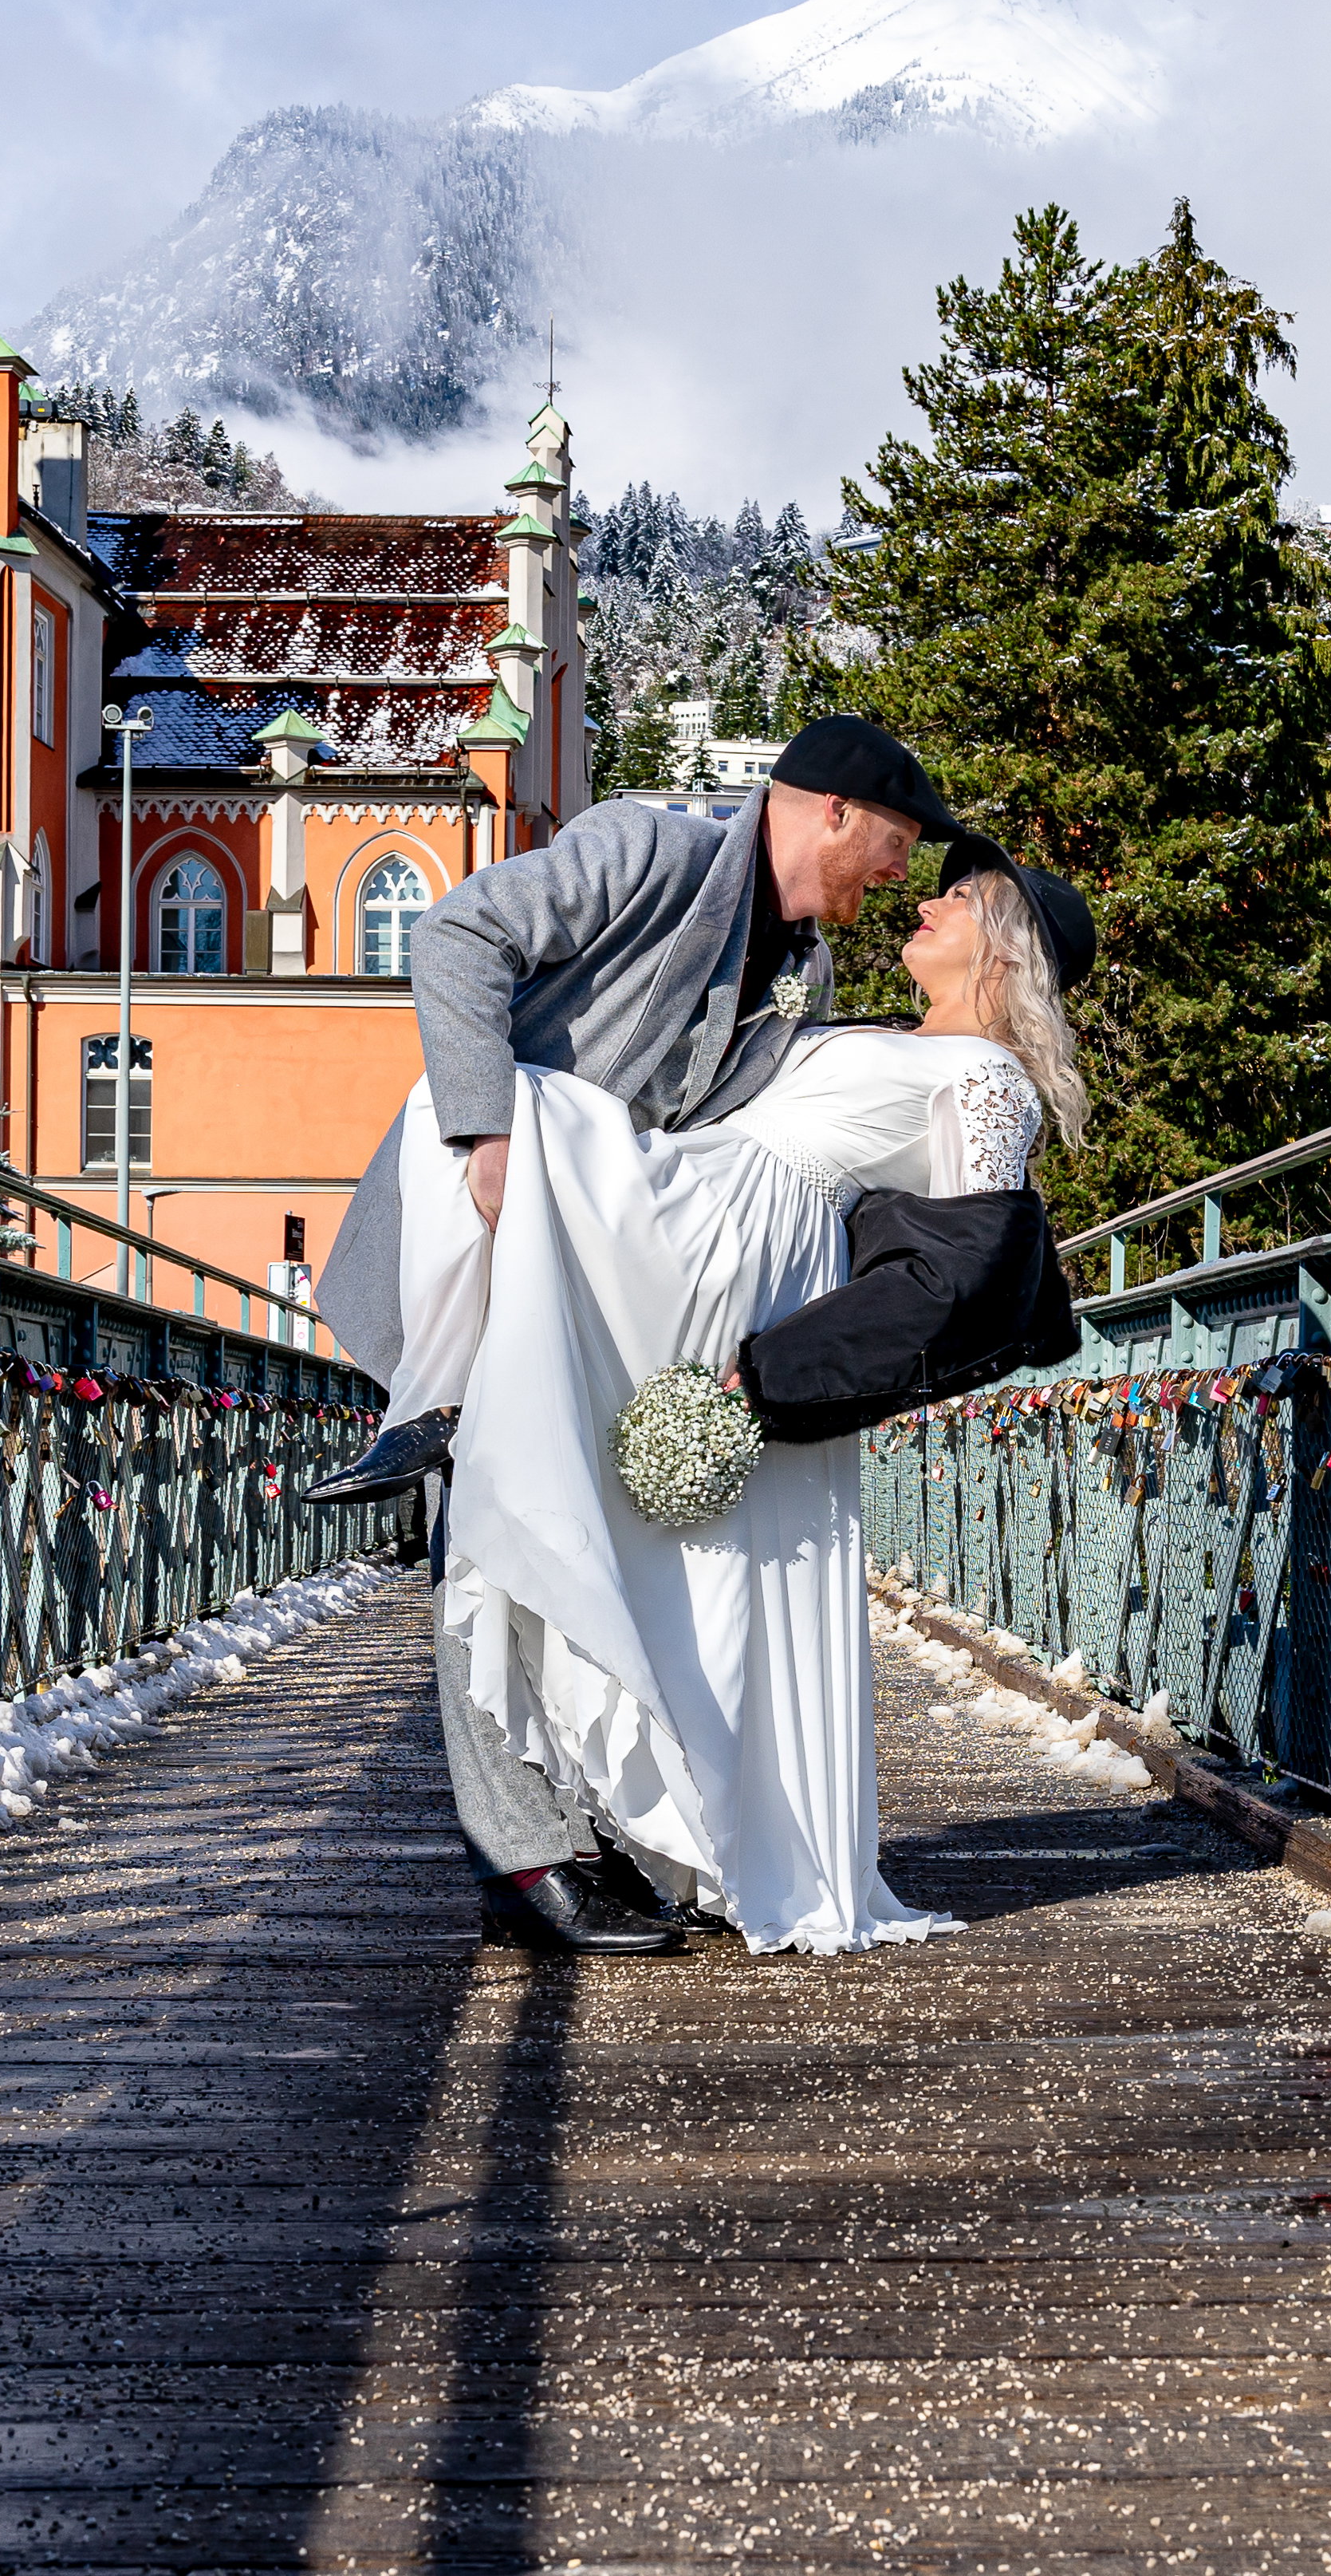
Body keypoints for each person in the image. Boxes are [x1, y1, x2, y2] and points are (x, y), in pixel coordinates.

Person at [309, 716, 957, 1954]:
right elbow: (456, 936)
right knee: (495, 1532)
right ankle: (519, 1861)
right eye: (895, 843)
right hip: (489, 1230)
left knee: (564, 1533)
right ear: (830, 809)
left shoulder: (804, 973)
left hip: (604, 1273)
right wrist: (485, 1131)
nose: (897, 873)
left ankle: (583, 1824)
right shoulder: (644, 850)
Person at [383, 843, 1095, 1955]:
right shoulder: (876, 1036)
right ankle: (440, 1401)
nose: (922, 902)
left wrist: (781, 1370)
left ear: (1005, 952)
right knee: (475, 1105)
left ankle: (440, 1408)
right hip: (704, 1208)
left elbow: (967, 1267)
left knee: (507, 1113)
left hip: (741, 1260)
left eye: (954, 900)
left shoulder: (988, 1081)